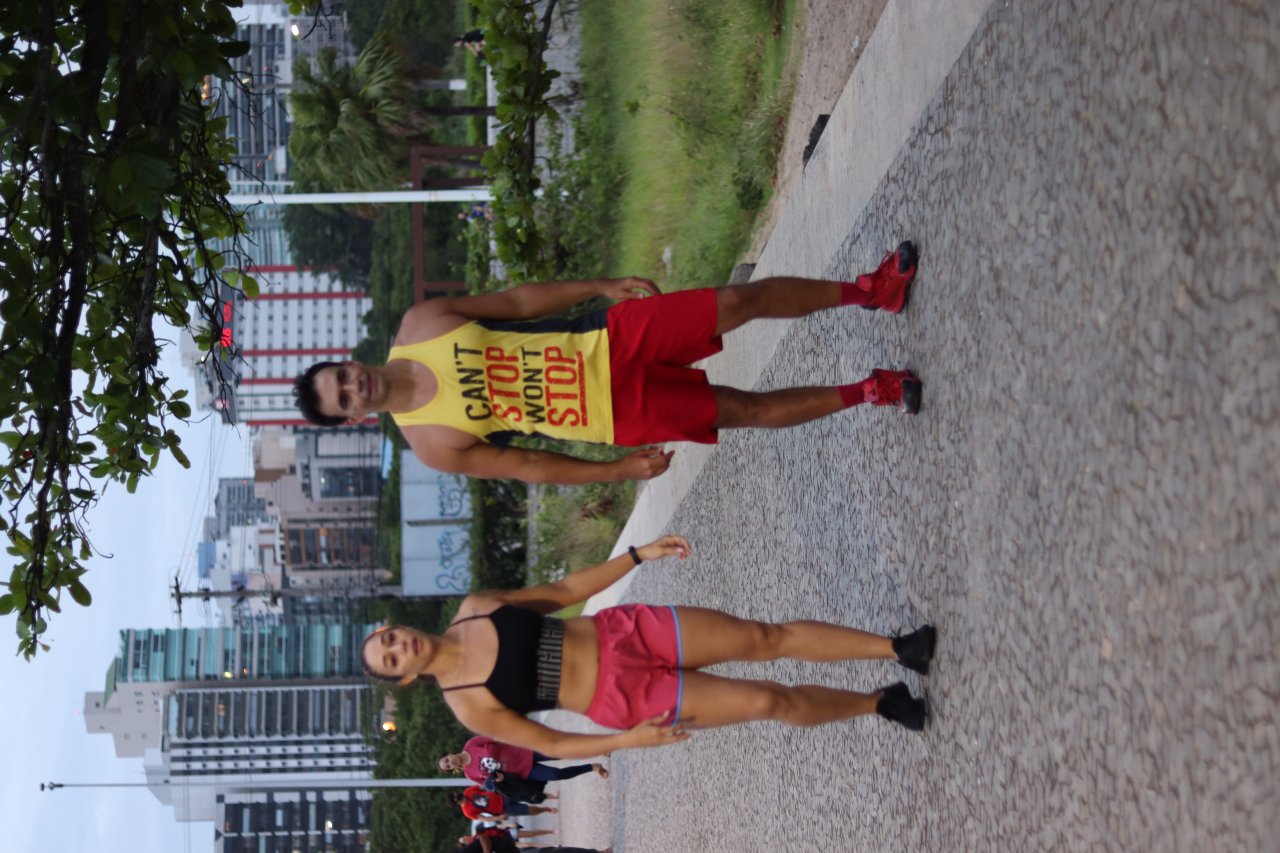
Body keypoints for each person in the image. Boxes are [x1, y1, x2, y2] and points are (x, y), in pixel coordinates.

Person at [292, 243, 923, 485]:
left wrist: (599, 285)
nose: (353, 386)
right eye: (344, 399)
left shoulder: (420, 324)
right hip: (610, 414)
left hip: (606, 338)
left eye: (341, 376)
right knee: (742, 410)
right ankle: (872, 390)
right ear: (352, 418)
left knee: (736, 301)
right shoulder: (432, 445)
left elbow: (517, 302)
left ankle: (871, 292)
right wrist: (617, 471)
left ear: (348, 361)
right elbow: (530, 465)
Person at [361, 536, 935, 760]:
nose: (399, 647)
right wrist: (623, 741)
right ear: (404, 678)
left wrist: (636, 556)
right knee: (768, 702)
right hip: (626, 698)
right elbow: (551, 743)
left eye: (389, 639)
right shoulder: (468, 705)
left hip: (627, 632)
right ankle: (879, 703)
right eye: (392, 660)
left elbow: (564, 591)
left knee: (764, 638)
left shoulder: (477, 606)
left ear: (396, 627)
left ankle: (896, 648)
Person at [440, 736, 608, 792]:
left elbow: (496, 737)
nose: (450, 763)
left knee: (561, 752)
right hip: (522, 771)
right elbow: (490, 786)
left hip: (524, 751)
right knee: (556, 775)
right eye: (448, 766)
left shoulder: (471, 745)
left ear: (449, 754)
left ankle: (597, 749)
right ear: (452, 769)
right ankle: (593, 767)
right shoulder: (470, 774)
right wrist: (497, 781)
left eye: (447, 760)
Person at [450, 786, 557, 822]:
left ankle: (552, 796)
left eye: (456, 794)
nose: (458, 795)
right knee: (529, 810)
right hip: (504, 808)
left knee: (528, 793)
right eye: (457, 797)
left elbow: (483, 787)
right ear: (456, 803)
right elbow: (484, 818)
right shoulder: (467, 812)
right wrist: (499, 818)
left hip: (503, 795)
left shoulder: (467, 791)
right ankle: (546, 809)